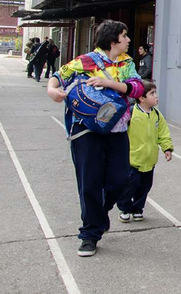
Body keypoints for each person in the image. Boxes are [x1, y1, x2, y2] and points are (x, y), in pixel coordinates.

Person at [46, 20, 144, 257]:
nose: (129, 40)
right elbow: (58, 76)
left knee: (120, 181)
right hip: (85, 131)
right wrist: (52, 90)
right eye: (124, 35)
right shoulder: (86, 61)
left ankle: (98, 215)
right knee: (89, 183)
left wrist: (108, 82)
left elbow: (138, 89)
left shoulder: (126, 63)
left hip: (117, 130)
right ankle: (89, 234)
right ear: (113, 41)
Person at [117, 81, 173, 223]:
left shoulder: (157, 115)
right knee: (130, 185)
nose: (156, 96)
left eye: (156, 93)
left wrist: (167, 148)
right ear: (141, 98)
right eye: (152, 93)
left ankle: (138, 208)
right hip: (133, 159)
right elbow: (121, 134)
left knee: (145, 187)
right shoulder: (131, 113)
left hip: (150, 160)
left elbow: (163, 133)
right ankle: (125, 208)